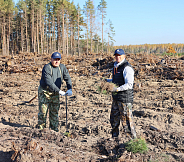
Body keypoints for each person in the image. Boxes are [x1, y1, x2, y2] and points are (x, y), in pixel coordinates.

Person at [38, 52, 72, 132]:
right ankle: (41, 130)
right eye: (55, 59)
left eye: (58, 59)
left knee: (54, 112)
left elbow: (67, 78)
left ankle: (54, 131)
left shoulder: (62, 67)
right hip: (45, 92)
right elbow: (49, 82)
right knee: (43, 112)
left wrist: (69, 88)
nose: (56, 61)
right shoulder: (47, 68)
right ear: (51, 59)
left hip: (55, 93)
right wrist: (59, 91)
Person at [110, 49, 136, 139]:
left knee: (127, 121)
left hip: (124, 99)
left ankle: (132, 142)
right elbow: (116, 80)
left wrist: (117, 89)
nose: (117, 57)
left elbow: (129, 84)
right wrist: (107, 82)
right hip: (116, 98)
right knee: (114, 119)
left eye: (119, 55)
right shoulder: (116, 67)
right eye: (116, 55)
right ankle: (114, 139)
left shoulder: (127, 68)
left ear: (124, 56)